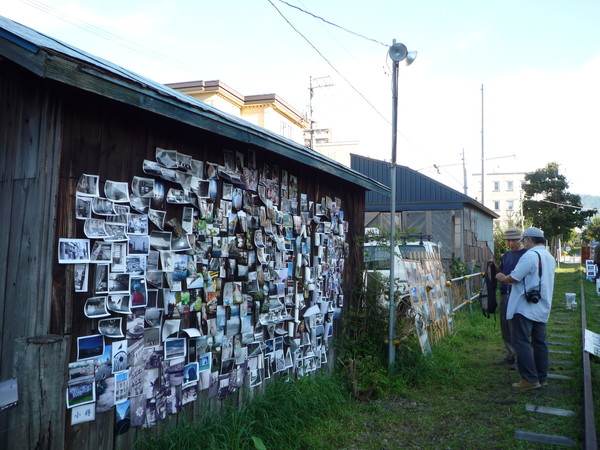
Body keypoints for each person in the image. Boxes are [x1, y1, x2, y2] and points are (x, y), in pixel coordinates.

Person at [495, 227, 556, 390]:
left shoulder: (529, 256)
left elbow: (513, 277)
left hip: (524, 306)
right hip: (542, 305)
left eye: (524, 240)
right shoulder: (549, 257)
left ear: (529, 240)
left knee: (520, 341)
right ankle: (542, 377)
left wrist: (502, 277)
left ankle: (529, 378)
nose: (524, 243)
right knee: (540, 342)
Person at [494, 228, 527, 368]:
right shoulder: (506, 255)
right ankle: (510, 354)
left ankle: (520, 358)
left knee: (516, 326)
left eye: (514, 240)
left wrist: (505, 279)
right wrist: (493, 266)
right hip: (504, 293)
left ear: (520, 241)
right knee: (505, 325)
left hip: (518, 294)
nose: (511, 243)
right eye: (509, 240)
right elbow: (503, 271)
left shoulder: (526, 255)